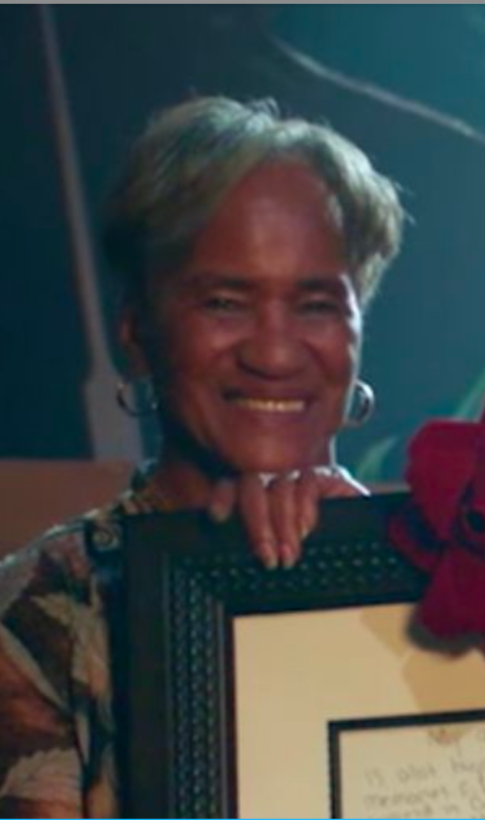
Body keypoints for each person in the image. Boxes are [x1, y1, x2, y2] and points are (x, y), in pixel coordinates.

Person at [0, 96, 404, 816]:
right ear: (137, 330)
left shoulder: (443, 578)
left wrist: (363, 572)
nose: (274, 353)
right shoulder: (41, 611)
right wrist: (209, 603)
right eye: (225, 303)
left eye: (315, 305)